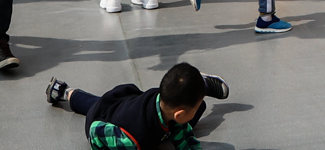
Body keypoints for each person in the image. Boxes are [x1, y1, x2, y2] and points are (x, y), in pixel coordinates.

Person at [43, 63, 230, 149]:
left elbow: (186, 139)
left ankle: (198, 85)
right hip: (103, 118)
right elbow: (96, 131)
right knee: (95, 105)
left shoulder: (167, 101)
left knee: (197, 110)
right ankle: (64, 91)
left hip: (135, 103)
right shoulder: (130, 139)